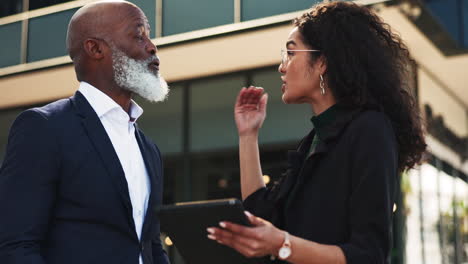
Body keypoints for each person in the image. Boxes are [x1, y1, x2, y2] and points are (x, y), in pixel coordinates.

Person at [207, 1, 426, 263]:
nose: (282, 66)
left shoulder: (370, 129)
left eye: (291, 53)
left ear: (322, 62)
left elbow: (369, 254)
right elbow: (261, 214)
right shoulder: (314, 140)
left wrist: (282, 244)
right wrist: (247, 136)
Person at [0, 1, 170, 264]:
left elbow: (152, 247)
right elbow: (16, 245)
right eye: (138, 35)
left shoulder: (148, 147)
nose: (151, 46)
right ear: (95, 48)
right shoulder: (43, 128)